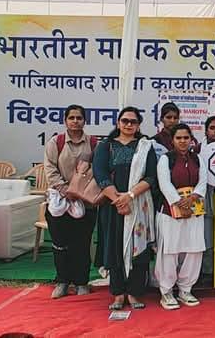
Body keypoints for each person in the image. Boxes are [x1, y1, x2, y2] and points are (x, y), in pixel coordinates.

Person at [92, 107, 159, 311]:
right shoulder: (106, 146)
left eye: (133, 121)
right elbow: (100, 174)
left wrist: (129, 197)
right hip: (113, 207)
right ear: (118, 123)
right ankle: (118, 294)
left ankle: (134, 292)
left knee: (139, 249)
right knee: (114, 248)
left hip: (139, 204)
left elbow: (151, 176)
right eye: (125, 121)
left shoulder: (145, 146)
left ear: (138, 125)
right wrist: (118, 201)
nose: (128, 124)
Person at [42, 105, 97, 299]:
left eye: (79, 118)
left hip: (85, 203)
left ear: (84, 121)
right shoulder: (55, 142)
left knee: (82, 244)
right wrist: (66, 190)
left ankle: (81, 282)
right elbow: (50, 169)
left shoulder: (93, 143)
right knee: (60, 244)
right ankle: (62, 282)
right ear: (65, 120)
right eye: (71, 118)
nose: (75, 121)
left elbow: (97, 170)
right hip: (60, 201)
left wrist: (79, 191)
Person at [155, 124, 208, 310]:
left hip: (194, 210)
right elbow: (164, 184)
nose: (183, 141)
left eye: (186, 138)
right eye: (179, 138)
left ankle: (185, 290)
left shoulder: (198, 158)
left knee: (194, 249)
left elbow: (203, 181)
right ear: (172, 140)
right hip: (170, 212)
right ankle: (166, 291)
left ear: (191, 139)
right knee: (170, 250)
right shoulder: (166, 159)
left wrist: (192, 199)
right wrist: (179, 203)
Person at [198, 115, 215, 286]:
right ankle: (206, 272)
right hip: (204, 197)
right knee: (206, 237)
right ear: (206, 130)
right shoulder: (197, 150)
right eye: (212, 128)